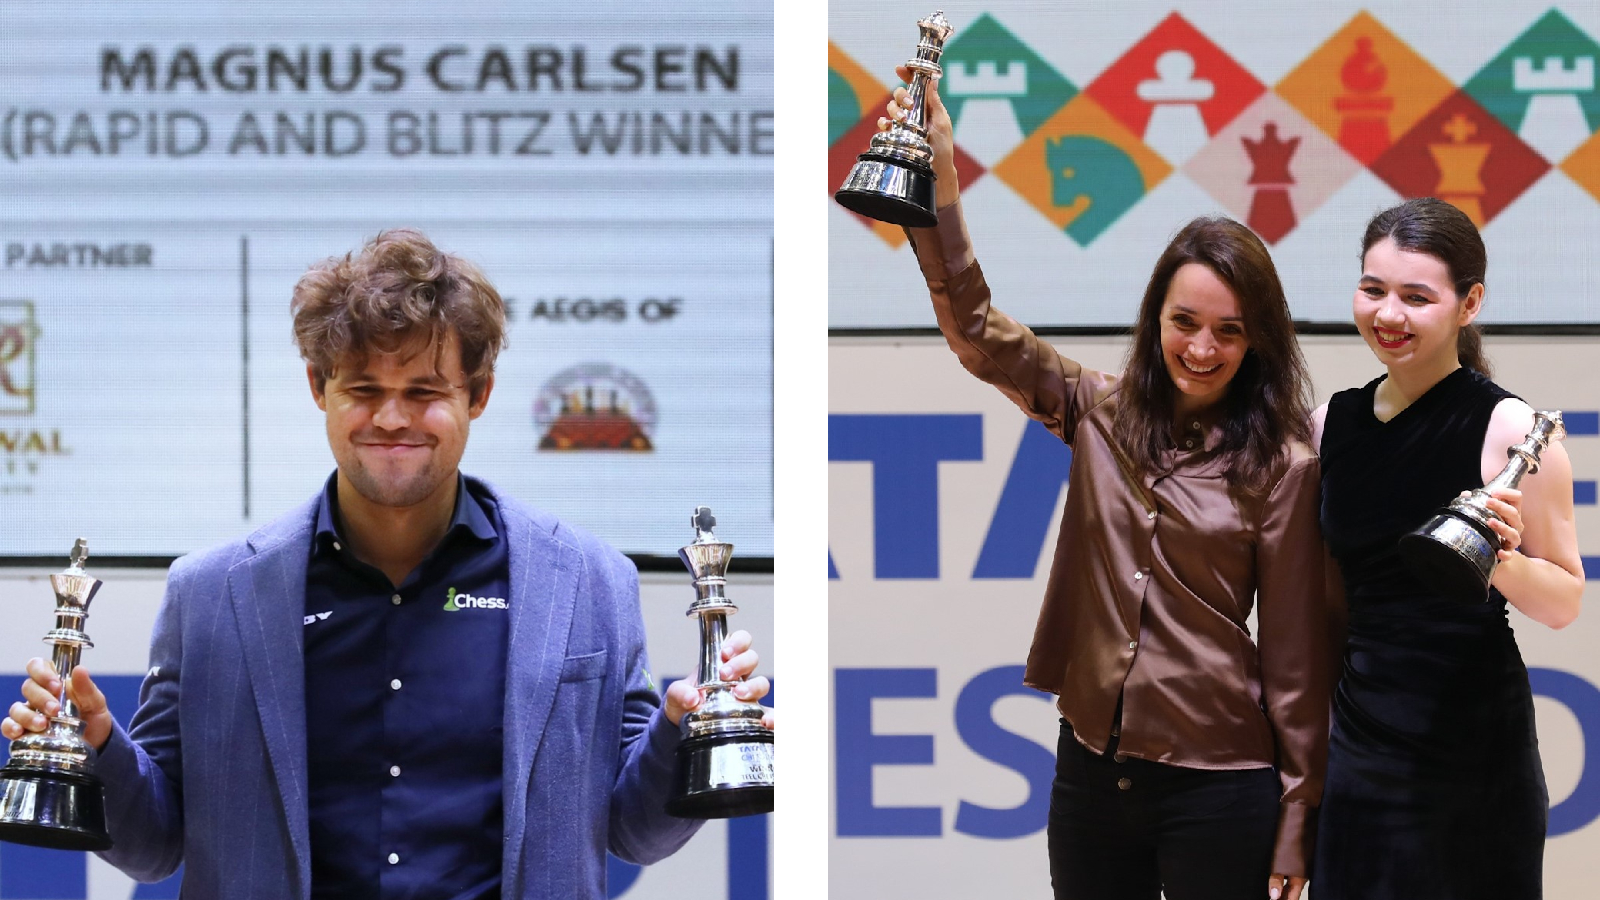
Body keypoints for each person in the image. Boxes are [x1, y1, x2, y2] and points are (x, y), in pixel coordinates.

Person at [2, 229, 773, 900]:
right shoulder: (211, 597)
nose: (393, 417)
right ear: (319, 389)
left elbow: (635, 832)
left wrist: (683, 730)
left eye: (425, 391)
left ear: (479, 394)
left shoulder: (590, 585)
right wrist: (99, 744)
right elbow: (155, 846)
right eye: (364, 389)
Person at [882, 67, 1330, 900]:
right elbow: (977, 332)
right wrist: (941, 176)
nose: (1201, 348)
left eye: (1229, 332)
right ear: (1154, 317)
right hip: (1088, 770)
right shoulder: (1097, 410)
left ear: (1259, 340)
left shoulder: (1285, 466)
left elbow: (1299, 662)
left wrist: (1300, 815)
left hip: (1220, 784)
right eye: (1184, 322)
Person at [1311, 197, 1582, 899]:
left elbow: (1564, 601)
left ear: (1469, 304)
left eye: (1416, 296)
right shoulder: (1327, 425)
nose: (1388, 314)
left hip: (1475, 749)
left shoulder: (1512, 430)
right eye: (1373, 290)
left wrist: (1504, 556)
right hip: (1361, 739)